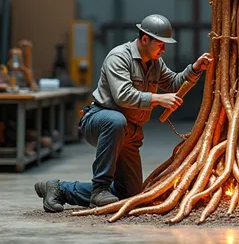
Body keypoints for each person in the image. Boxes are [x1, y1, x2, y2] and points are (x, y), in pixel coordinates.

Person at [34, 14, 212, 212]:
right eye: (161, 44)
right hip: (101, 120)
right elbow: (123, 96)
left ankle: (59, 189)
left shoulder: (155, 62)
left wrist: (195, 69)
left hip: (130, 131)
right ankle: (100, 188)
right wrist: (158, 99)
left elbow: (173, 82)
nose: (164, 49)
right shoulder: (119, 57)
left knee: (130, 194)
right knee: (116, 121)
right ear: (145, 39)